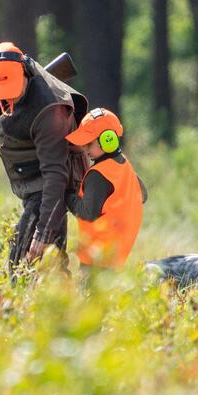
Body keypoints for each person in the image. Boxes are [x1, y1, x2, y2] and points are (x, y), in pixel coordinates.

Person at [0, 41, 88, 273]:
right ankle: (65, 305)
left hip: (54, 180)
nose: (10, 100)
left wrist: (43, 232)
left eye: (14, 91)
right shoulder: (8, 78)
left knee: (23, 254)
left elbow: (56, 176)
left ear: (26, 73)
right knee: (50, 263)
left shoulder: (50, 111)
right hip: (36, 177)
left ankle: (19, 303)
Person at [63, 108, 147, 276]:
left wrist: (67, 194)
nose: (85, 148)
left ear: (108, 140)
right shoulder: (124, 165)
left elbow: (87, 212)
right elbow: (143, 195)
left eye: (89, 143)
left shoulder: (98, 175)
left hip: (96, 257)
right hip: (116, 256)